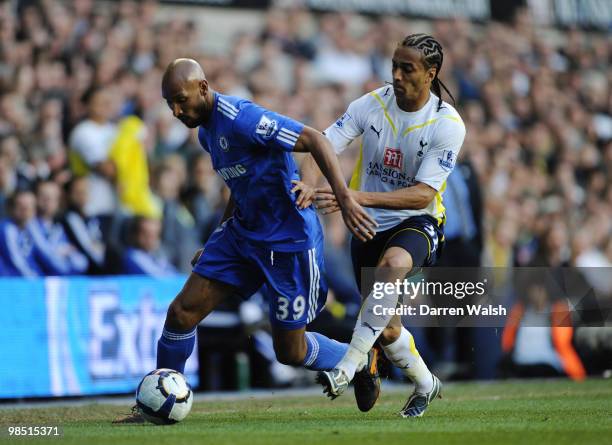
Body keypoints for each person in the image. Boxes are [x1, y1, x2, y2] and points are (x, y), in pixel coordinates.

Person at [113, 58, 376, 423]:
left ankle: (359, 358)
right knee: (180, 313)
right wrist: (218, 236)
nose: (175, 110)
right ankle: (154, 405)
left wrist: (343, 197)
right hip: (242, 235)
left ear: (203, 88)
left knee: (291, 351)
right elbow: (241, 184)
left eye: (180, 100)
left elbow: (314, 138)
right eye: (169, 104)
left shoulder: (242, 118)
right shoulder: (206, 133)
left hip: (288, 242)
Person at [303, 34, 466, 417]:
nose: (395, 75)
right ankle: (426, 384)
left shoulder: (447, 125)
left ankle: (346, 368)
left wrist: (351, 196)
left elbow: (423, 195)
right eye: (393, 65)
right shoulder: (372, 104)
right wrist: (308, 185)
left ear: (430, 74)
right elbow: (322, 143)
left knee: (391, 267)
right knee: (388, 329)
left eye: (406, 68)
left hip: (417, 222)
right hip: (366, 226)